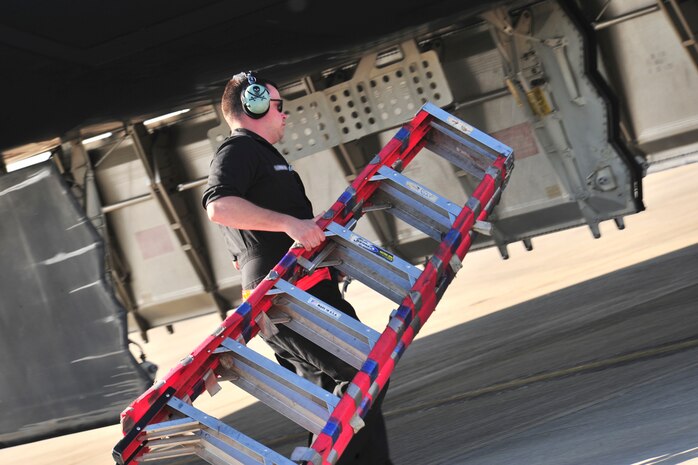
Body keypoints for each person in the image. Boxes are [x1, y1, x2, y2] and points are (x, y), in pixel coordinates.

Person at [201, 71, 393, 465]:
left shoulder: (265, 156)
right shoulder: (238, 150)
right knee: (363, 370)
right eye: (277, 105)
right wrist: (290, 224)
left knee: (332, 388)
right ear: (252, 105)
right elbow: (217, 206)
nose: (285, 114)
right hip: (284, 292)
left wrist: (316, 233)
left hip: (300, 286)